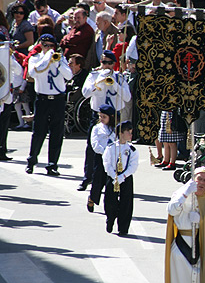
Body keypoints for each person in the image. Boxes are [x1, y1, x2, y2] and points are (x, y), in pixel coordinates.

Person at [78, 50, 132, 190]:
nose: (106, 66)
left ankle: (114, 178)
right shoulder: (94, 75)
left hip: (115, 117)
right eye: (104, 62)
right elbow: (85, 93)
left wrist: (114, 84)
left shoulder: (119, 77)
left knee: (116, 148)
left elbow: (127, 98)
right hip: (98, 116)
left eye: (109, 63)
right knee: (92, 147)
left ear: (114, 64)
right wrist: (98, 83)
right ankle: (87, 178)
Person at [25, 34, 73, 175]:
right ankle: (32, 160)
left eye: (51, 46)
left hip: (57, 99)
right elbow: (32, 73)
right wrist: (46, 58)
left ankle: (52, 164)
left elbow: (69, 75)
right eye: (45, 45)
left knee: (56, 133)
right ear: (40, 46)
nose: (48, 48)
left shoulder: (60, 59)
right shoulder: (35, 59)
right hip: (43, 99)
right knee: (39, 132)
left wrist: (57, 63)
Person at [103, 120, 138, 235]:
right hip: (113, 176)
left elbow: (133, 166)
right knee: (110, 200)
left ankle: (123, 227)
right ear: (121, 133)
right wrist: (114, 176)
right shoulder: (111, 147)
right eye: (128, 132)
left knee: (126, 203)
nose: (131, 134)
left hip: (125, 176)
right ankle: (110, 219)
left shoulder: (132, 149)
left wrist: (123, 176)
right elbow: (107, 163)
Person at [86, 104, 116, 214]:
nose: (101, 119)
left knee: (110, 181)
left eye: (104, 117)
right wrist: (106, 152)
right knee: (98, 180)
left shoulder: (116, 129)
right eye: (100, 116)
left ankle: (110, 205)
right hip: (100, 157)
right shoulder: (96, 128)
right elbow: (95, 144)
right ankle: (92, 198)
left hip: (112, 159)